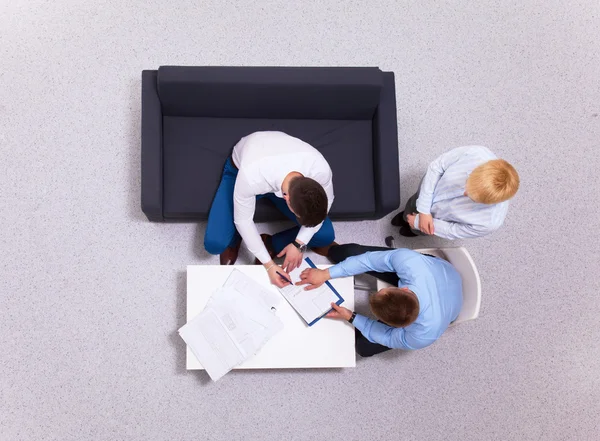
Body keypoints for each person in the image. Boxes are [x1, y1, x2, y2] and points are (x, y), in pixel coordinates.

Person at [204, 131, 335, 287]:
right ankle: (234, 238)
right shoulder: (252, 175)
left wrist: (299, 244)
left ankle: (271, 243)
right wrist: (269, 265)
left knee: (325, 234)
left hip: (278, 178)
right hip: (240, 173)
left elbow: (328, 202)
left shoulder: (320, 170)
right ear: (287, 200)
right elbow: (243, 221)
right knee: (214, 243)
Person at [296, 244, 462, 357]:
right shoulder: (409, 262)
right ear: (403, 288)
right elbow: (367, 260)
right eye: (384, 291)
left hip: (448, 306)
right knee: (346, 252)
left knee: (364, 347)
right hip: (438, 270)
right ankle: (334, 251)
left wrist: (351, 317)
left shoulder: (423, 336)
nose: (381, 290)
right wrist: (326, 274)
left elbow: (388, 337)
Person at [391, 146, 520, 239]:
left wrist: (419, 223)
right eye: (468, 183)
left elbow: (453, 230)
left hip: (436, 220)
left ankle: (413, 231)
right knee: (412, 204)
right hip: (427, 193)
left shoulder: (488, 223)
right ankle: (405, 215)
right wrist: (423, 210)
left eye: (472, 198)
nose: (464, 193)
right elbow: (437, 167)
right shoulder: (476, 154)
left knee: (418, 229)